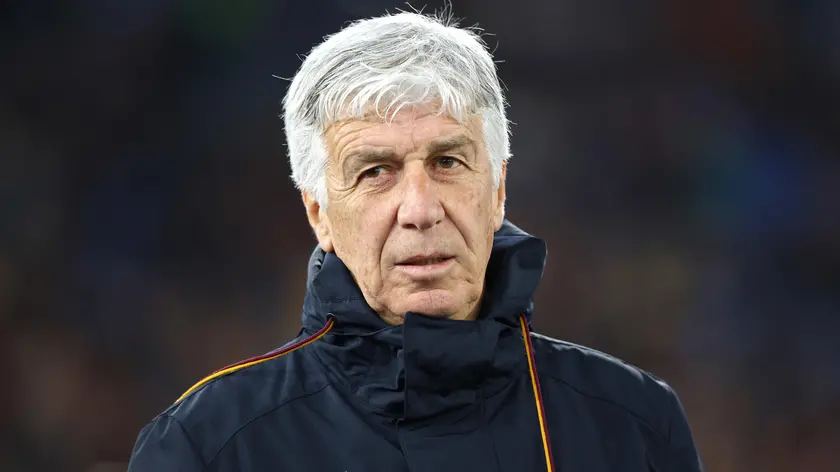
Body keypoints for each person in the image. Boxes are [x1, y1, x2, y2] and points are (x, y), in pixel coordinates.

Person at [127, 10, 704, 472]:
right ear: (318, 213)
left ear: (498, 190)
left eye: (448, 161)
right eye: (375, 171)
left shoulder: (637, 424)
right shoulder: (208, 446)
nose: (421, 210)